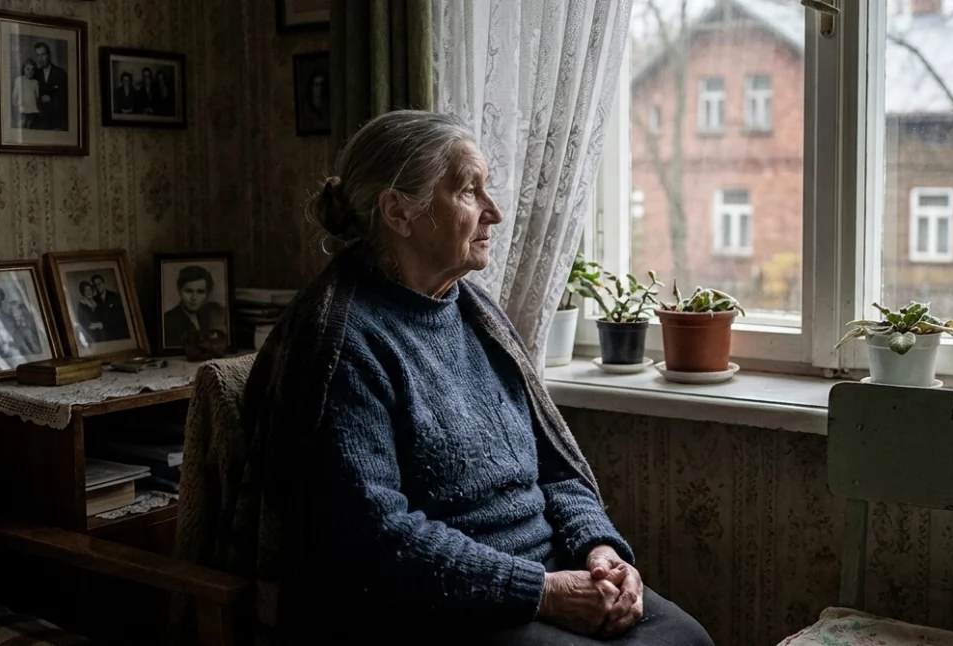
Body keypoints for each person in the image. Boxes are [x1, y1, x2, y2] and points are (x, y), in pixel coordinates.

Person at [237, 110, 714, 645]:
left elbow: (553, 468)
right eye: (469, 191)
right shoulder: (341, 343)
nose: (495, 212)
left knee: (686, 638)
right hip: (431, 606)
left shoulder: (473, 313)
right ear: (399, 212)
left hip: (546, 570)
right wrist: (544, 592)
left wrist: (599, 551)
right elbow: (375, 537)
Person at [161, 265, 225, 347]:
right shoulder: (167, 321)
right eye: (188, 291)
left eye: (200, 292)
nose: (194, 298)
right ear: (179, 290)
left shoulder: (206, 318)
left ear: (207, 294)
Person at [33, 42, 67, 130]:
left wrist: (51, 98)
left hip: (57, 122)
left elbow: (65, 97)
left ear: (49, 55)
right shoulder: (35, 74)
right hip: (39, 122)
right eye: (38, 55)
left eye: (43, 54)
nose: (40, 59)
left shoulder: (60, 73)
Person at [91, 275, 128, 340]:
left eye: (99, 284)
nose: (97, 287)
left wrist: (104, 324)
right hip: (104, 334)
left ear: (104, 284)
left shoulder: (115, 296)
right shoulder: (93, 300)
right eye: (95, 286)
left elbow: (119, 316)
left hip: (117, 331)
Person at [12, 59, 40, 128]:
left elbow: (37, 97)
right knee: (21, 126)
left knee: (30, 127)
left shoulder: (35, 82)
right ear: (24, 69)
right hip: (22, 110)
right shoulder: (19, 79)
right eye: (28, 69)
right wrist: (16, 105)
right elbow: (15, 95)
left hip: (33, 110)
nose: (30, 71)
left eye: (32, 69)